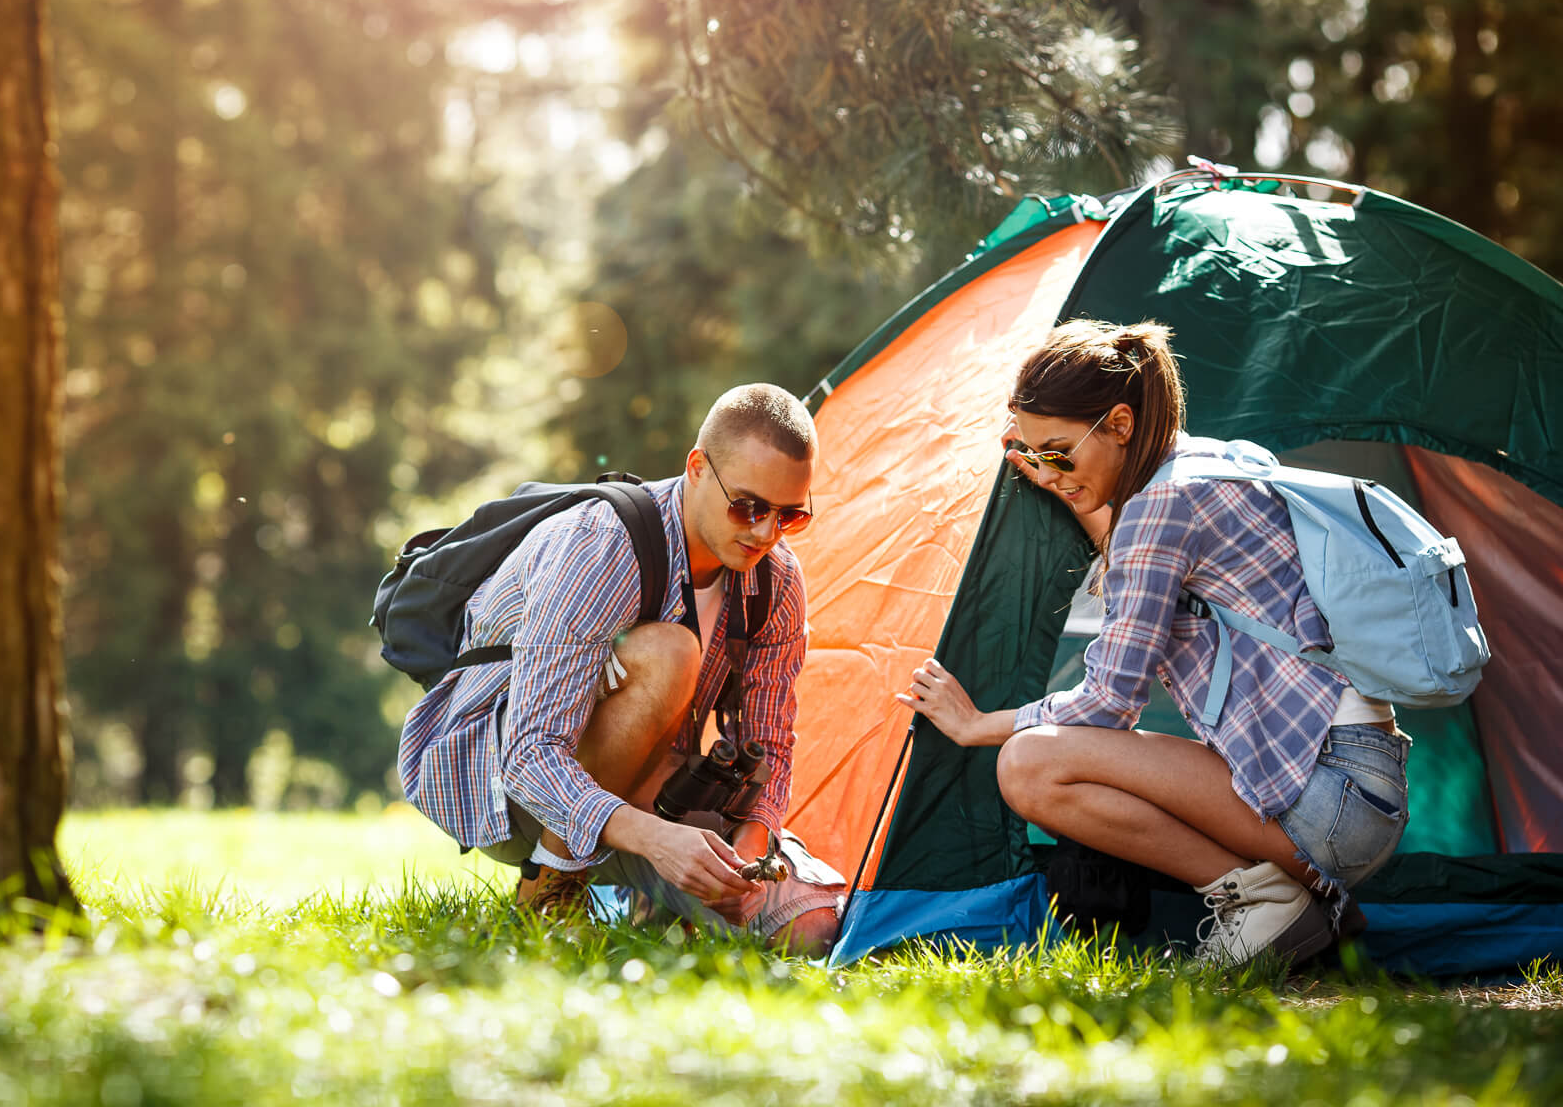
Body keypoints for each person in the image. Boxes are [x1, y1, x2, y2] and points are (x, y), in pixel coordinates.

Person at [898, 320, 1411, 967]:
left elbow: (1111, 703)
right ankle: (1304, 897)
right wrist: (1066, 476)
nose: (1049, 470)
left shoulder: (1158, 509)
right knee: (1043, 757)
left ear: (1118, 424)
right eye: (1036, 455)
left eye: (1058, 451)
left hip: (1329, 795)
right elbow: (1137, 555)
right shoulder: (1200, 466)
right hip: (1355, 787)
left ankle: (1266, 900)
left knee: (1028, 765)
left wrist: (979, 725)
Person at [398, 383, 843, 953]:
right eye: (749, 507)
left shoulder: (776, 579)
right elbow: (530, 754)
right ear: (698, 468)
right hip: (503, 783)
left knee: (809, 930)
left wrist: (753, 845)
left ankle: (660, 906)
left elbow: (770, 744)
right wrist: (659, 840)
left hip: (655, 788)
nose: (765, 533)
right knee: (671, 653)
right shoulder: (601, 544)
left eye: (790, 515)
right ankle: (553, 885)